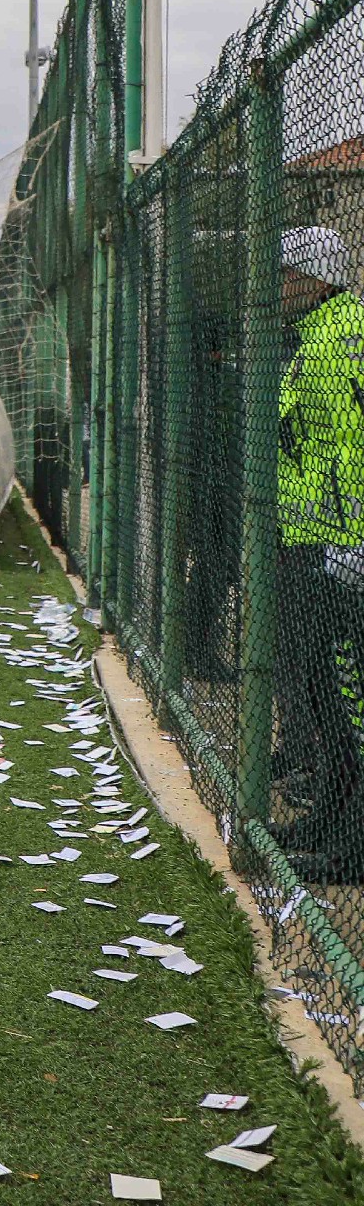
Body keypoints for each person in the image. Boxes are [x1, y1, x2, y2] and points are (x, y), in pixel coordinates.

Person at [273, 227, 364, 879]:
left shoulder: (341, 336)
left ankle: (351, 845)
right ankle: (332, 820)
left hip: (340, 544)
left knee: (346, 697)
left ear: (315, 276)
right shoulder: (318, 335)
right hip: (315, 538)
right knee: (326, 695)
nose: (277, 288)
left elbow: (353, 440)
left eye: (285, 274)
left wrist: (352, 538)